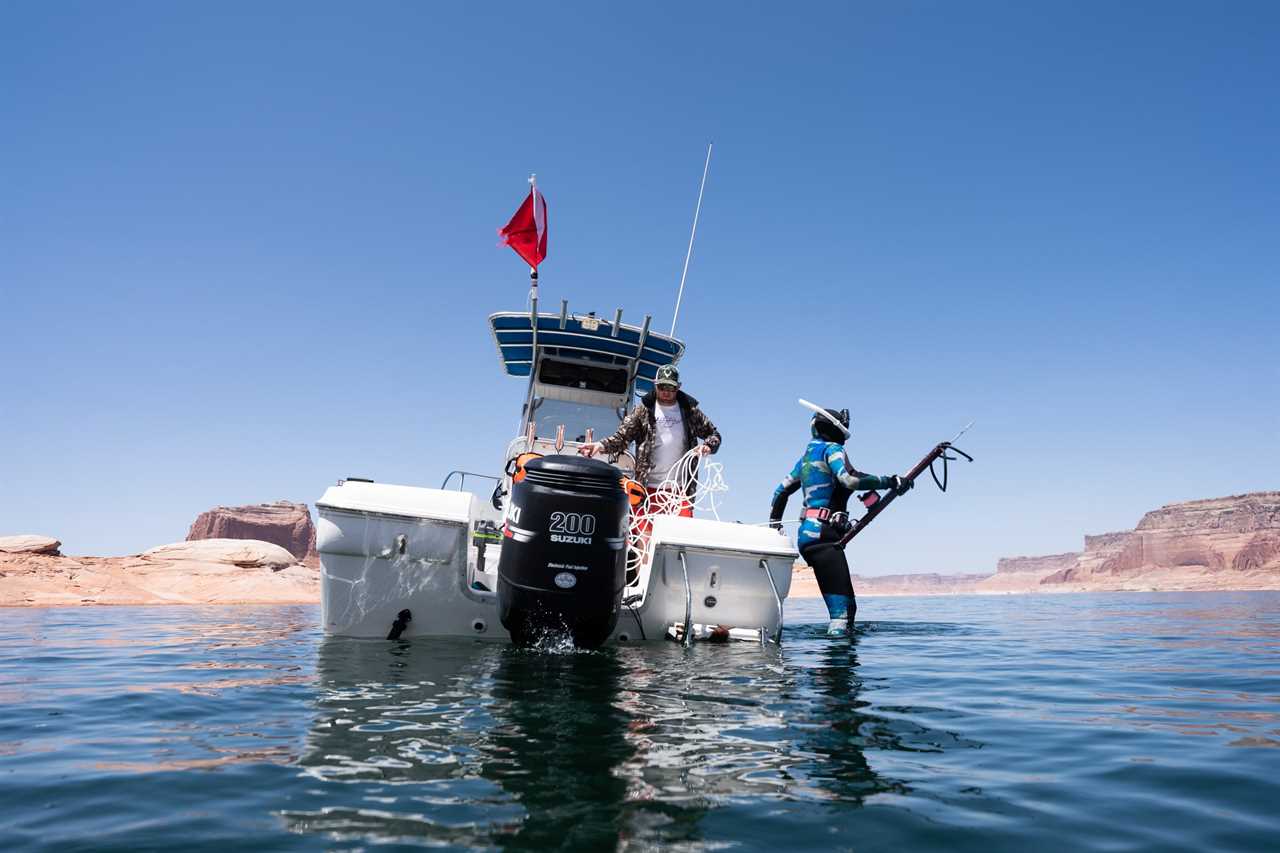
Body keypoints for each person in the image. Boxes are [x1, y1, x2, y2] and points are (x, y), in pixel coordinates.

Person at [769, 404, 911, 637]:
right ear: (836, 430)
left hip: (808, 537)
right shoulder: (831, 449)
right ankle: (836, 670)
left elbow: (780, 492)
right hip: (825, 537)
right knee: (841, 614)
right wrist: (890, 481)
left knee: (847, 609)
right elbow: (849, 479)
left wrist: (775, 526)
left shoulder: (804, 460)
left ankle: (836, 663)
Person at [579, 364, 720, 514]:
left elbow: (714, 435)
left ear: (678, 387)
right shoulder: (643, 410)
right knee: (644, 536)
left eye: (670, 387)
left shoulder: (689, 411)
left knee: (676, 535)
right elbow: (622, 437)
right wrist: (599, 446)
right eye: (662, 386)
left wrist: (708, 446)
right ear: (655, 384)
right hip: (646, 490)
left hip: (680, 491)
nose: (666, 391)